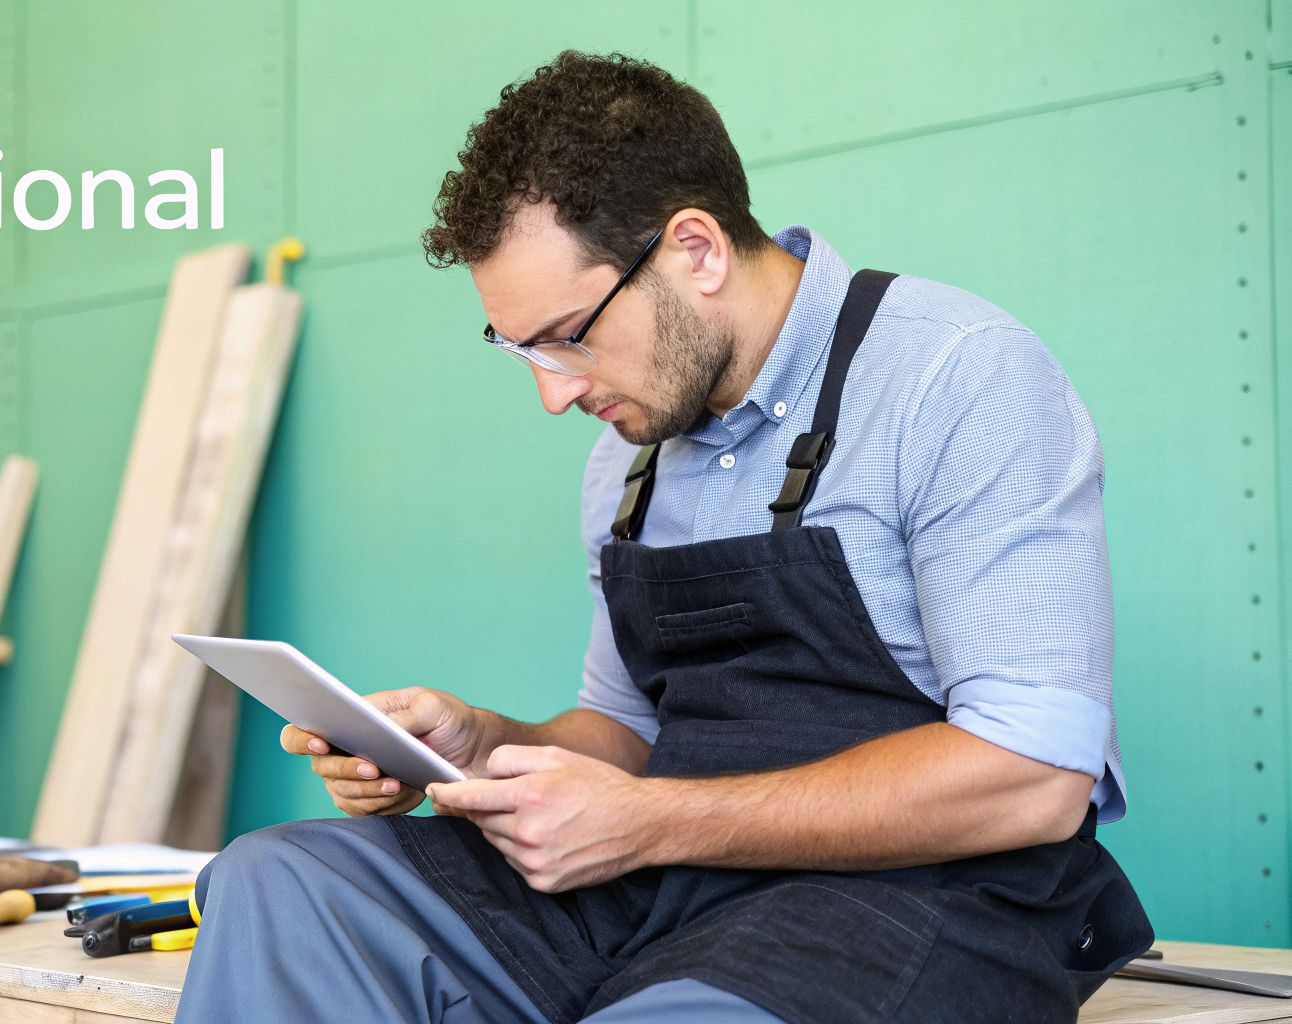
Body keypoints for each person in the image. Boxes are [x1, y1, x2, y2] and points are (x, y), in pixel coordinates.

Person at [175, 50, 1152, 1024]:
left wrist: (651, 823)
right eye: (519, 351)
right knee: (283, 881)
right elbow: (627, 736)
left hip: (925, 900)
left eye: (568, 335)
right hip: (671, 884)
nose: (553, 393)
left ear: (695, 249)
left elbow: (1032, 783)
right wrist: (479, 747)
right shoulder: (627, 447)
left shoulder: (955, 377)